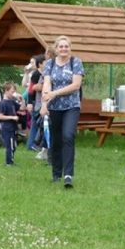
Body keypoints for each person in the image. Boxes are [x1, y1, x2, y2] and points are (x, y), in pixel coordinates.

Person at [41, 36, 84, 189]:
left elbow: (76, 85)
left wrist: (55, 93)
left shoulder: (76, 62)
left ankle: (68, 175)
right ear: (56, 49)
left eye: (66, 46)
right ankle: (56, 173)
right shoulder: (50, 64)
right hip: (54, 108)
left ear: (70, 48)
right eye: (61, 46)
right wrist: (44, 104)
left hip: (71, 106)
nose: (64, 49)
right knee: (56, 140)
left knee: (68, 135)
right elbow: (46, 84)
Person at [0, 82, 22, 166]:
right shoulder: (3, 103)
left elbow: (22, 108)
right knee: (10, 146)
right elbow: (0, 116)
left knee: (14, 145)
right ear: (6, 91)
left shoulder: (12, 101)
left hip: (13, 127)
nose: (13, 93)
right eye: (12, 91)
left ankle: (10, 160)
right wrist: (12, 117)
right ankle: (9, 163)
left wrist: (22, 100)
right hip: (7, 128)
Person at [25, 54, 46, 151]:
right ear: (40, 64)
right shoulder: (36, 74)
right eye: (45, 62)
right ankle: (31, 145)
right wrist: (29, 103)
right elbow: (30, 90)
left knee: (38, 125)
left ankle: (34, 145)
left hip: (41, 103)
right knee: (35, 125)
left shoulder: (46, 73)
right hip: (35, 103)